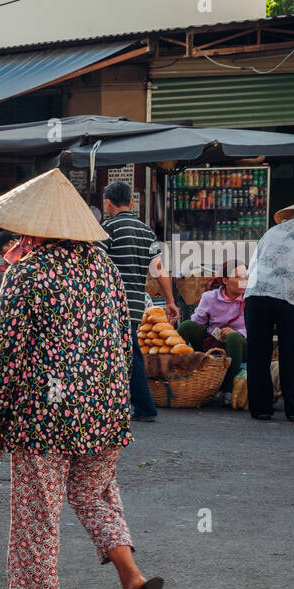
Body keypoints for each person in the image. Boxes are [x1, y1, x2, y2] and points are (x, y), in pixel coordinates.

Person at [0, 168, 163, 589]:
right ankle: (132, 578)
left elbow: (9, 351)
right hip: (104, 410)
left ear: (35, 225)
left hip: (45, 414)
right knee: (94, 495)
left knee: (39, 510)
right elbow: (125, 341)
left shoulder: (27, 273)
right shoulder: (104, 268)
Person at [243, 198, 294, 421]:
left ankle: (260, 409)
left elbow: (255, 263)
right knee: (291, 352)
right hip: (289, 295)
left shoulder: (270, 233)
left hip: (255, 294)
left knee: (257, 352)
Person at [100, 180, 178, 423]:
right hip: (135, 304)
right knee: (127, 351)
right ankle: (128, 405)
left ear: (107, 203)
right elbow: (158, 269)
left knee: (122, 353)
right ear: (132, 202)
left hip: (111, 301)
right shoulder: (147, 231)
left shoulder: (107, 229)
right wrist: (170, 301)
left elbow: (99, 266)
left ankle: (143, 407)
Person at [176, 263, 248, 394]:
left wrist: (237, 332)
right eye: (238, 277)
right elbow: (197, 322)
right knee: (187, 326)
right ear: (225, 280)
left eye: (246, 277)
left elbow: (257, 328)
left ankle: (229, 390)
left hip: (241, 345)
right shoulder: (210, 297)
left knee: (233, 338)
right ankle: (177, 374)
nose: (244, 282)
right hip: (213, 342)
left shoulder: (250, 299)